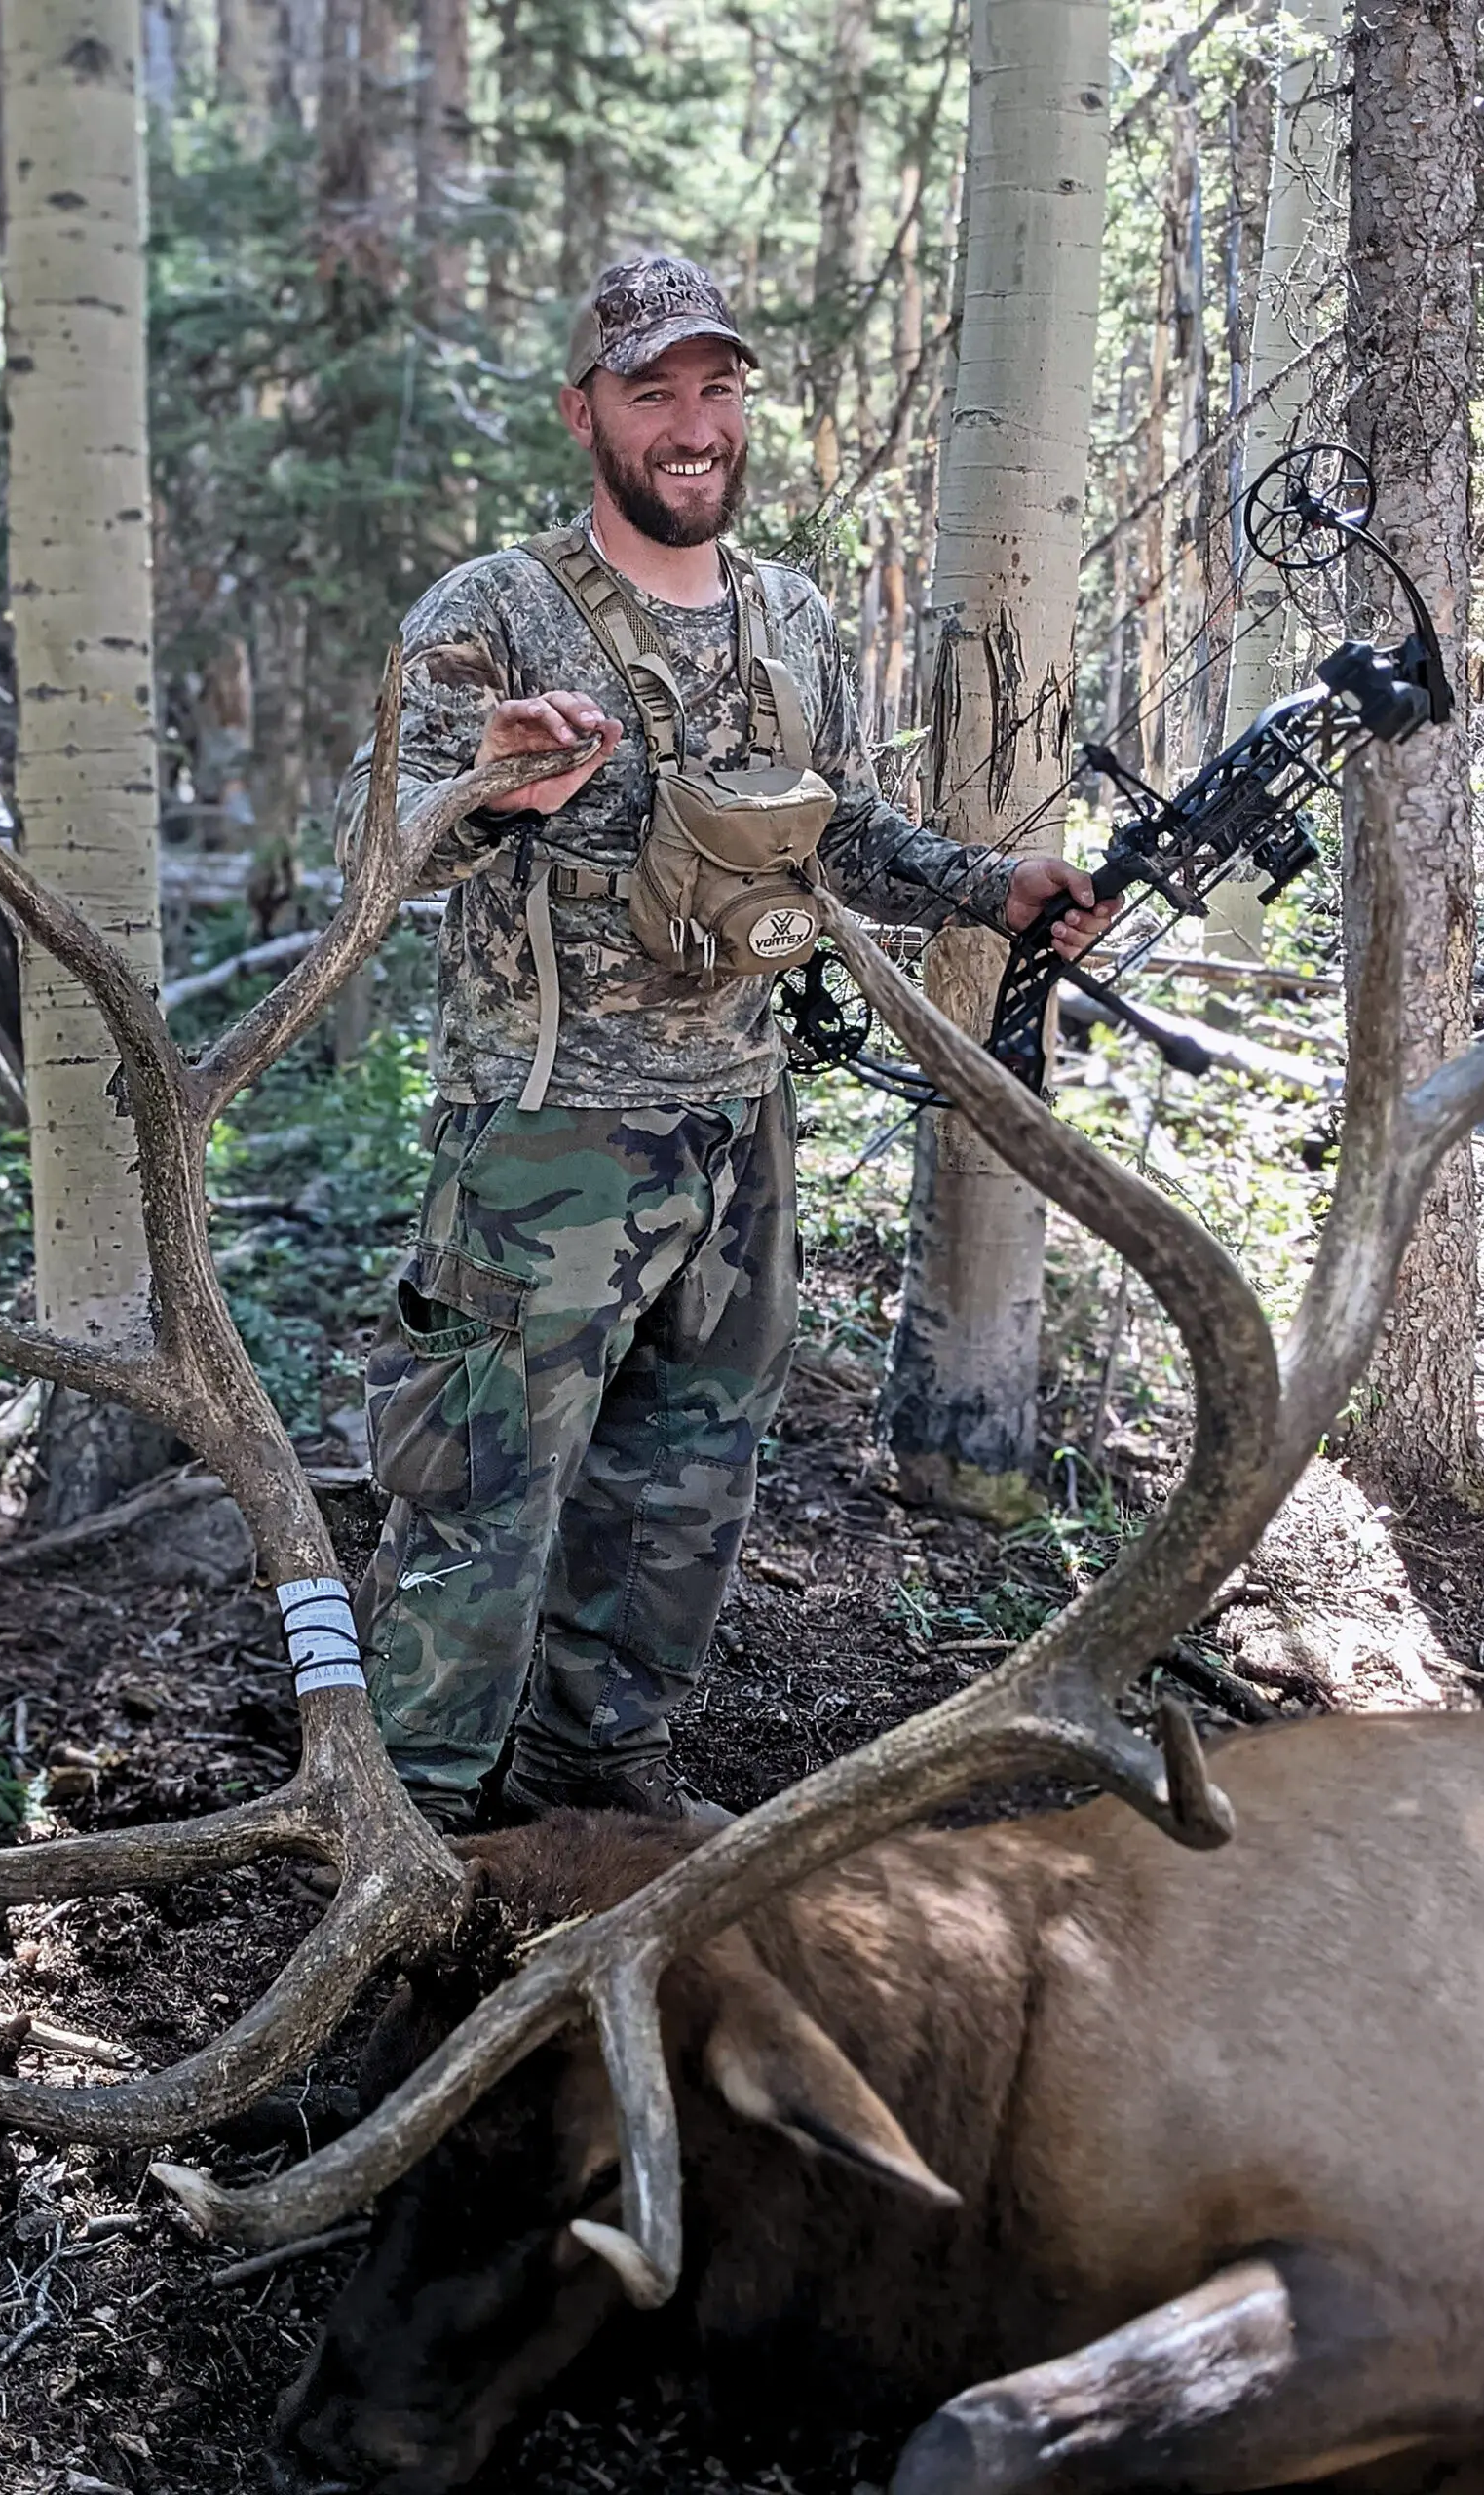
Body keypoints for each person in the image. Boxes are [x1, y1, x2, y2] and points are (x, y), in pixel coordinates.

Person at [336, 255, 1116, 1833]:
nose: (692, 426)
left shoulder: (792, 619)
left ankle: (599, 1793)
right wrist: (488, 791)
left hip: (738, 1136)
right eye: (652, 391)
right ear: (588, 414)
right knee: (483, 1495)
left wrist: (992, 886)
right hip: (546, 1140)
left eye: (716, 390)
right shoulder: (494, 612)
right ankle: (410, 1833)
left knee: (686, 1487)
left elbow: (840, 839)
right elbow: (385, 862)